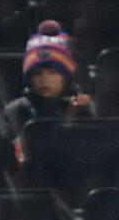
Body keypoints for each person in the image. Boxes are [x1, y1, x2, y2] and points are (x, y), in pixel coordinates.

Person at [8, 20, 93, 154]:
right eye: (37, 73)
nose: (44, 80)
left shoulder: (83, 108)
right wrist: (68, 120)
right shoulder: (17, 110)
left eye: (52, 73)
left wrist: (77, 114)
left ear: (66, 77)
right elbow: (33, 154)